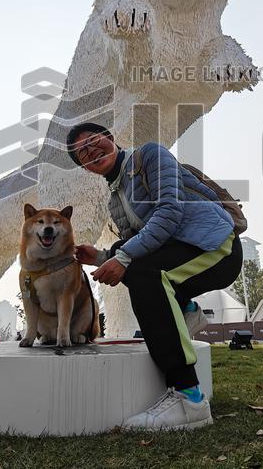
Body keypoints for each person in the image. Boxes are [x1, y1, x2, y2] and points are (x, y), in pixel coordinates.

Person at [68, 122, 242, 431]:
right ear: (84, 166)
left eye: (93, 141)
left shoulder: (149, 155)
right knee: (133, 260)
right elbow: (138, 247)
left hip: (216, 245)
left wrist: (123, 257)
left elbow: (169, 212)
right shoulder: (115, 198)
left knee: (143, 271)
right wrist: (99, 256)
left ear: (110, 138)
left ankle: (189, 400)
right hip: (184, 252)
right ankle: (186, 310)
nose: (91, 151)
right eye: (82, 153)